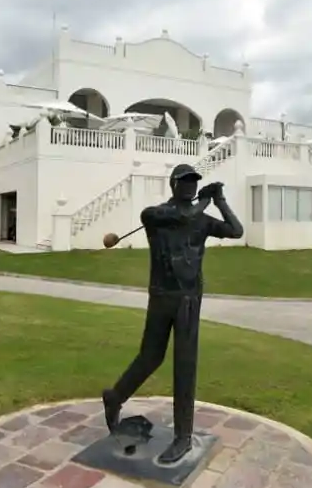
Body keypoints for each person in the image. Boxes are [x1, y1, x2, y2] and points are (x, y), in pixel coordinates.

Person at [102, 163, 244, 465]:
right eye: (186, 181)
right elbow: (184, 215)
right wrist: (206, 199)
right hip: (162, 295)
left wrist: (219, 200)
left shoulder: (201, 220)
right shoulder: (155, 216)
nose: (191, 186)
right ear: (173, 184)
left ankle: (183, 436)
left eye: (195, 181)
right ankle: (115, 396)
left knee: (185, 364)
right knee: (150, 356)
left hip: (189, 300)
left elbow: (235, 230)